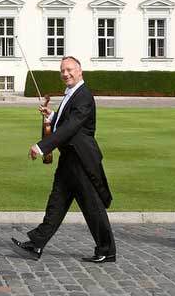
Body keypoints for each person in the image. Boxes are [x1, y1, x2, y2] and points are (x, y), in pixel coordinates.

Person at [12, 56, 115, 264]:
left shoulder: (84, 95)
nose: (65, 74)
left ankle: (107, 250)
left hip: (82, 160)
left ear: (80, 71)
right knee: (56, 203)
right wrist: (51, 116)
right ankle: (37, 244)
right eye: (62, 71)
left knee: (92, 207)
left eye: (69, 70)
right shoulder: (73, 93)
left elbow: (71, 127)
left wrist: (42, 146)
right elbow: (65, 120)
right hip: (69, 158)